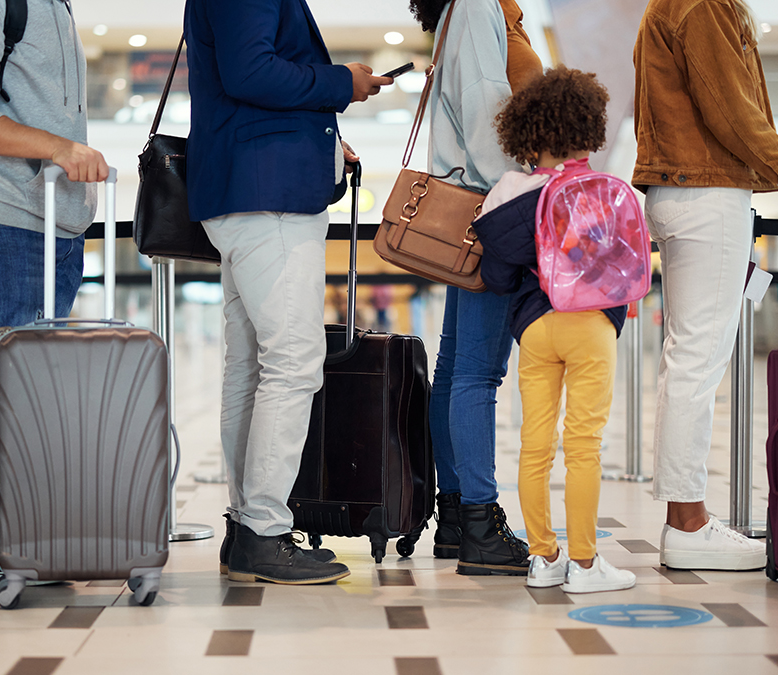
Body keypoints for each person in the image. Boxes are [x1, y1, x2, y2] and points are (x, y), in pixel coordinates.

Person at [633, 0, 778, 570]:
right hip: (705, 193)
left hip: (683, 190)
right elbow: (730, 108)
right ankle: (687, 523)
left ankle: (684, 517)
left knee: (686, 358)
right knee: (697, 360)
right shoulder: (704, 3)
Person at [185, 0, 390, 584]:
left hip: (250, 189)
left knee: (251, 366)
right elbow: (250, 72)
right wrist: (339, 83)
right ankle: (263, 531)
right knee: (294, 361)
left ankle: (249, 526)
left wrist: (323, 142)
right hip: (266, 195)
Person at [0, 0, 109, 583]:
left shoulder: (52, 5)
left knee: (29, 380)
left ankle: (25, 525)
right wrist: (56, 149)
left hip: (54, 220)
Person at [474, 66, 636, 593]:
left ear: (526, 133)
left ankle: (544, 559)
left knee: (535, 444)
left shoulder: (510, 192)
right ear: (587, 128)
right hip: (591, 328)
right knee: (584, 445)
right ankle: (586, 567)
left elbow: (496, 277)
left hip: (537, 329)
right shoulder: (604, 190)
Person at [406, 0, 542, 575]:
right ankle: (480, 522)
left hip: (479, 203)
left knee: (457, 366)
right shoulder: (480, 5)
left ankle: (459, 516)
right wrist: (521, 198)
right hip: (494, 207)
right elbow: (490, 116)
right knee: (477, 373)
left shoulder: (472, 8)